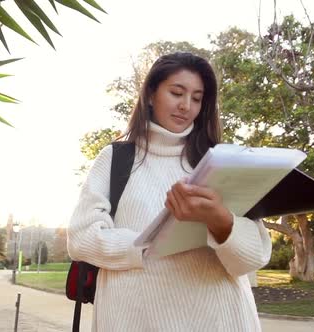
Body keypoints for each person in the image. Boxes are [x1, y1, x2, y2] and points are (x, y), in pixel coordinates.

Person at [67, 52, 272, 331]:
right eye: (177, 92)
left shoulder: (223, 162)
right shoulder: (116, 158)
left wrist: (220, 221)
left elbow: (253, 258)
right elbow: (81, 237)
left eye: (197, 98)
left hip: (222, 318)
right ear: (151, 94)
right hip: (137, 319)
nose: (186, 106)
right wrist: (148, 244)